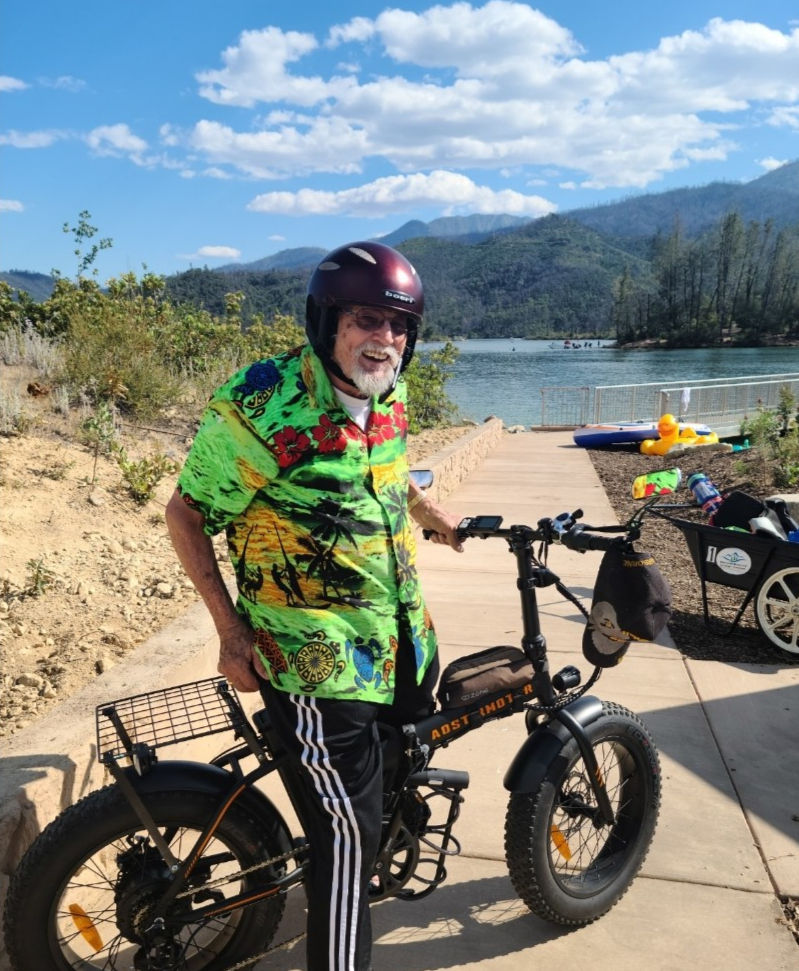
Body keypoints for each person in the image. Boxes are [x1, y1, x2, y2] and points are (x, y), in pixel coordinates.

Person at [165, 240, 463, 971]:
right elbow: (186, 513)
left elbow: (390, 476)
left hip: (398, 645)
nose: (384, 339)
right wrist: (230, 632)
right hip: (315, 664)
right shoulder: (263, 404)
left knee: (384, 785)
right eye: (367, 319)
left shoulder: (388, 395)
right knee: (346, 844)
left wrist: (434, 515)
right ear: (326, 321)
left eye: (398, 326)